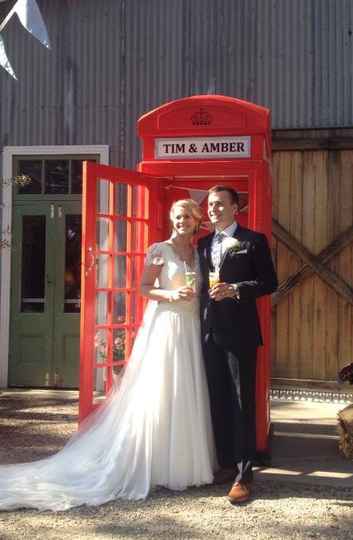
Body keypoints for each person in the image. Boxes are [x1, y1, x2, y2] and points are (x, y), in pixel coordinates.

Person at [0, 199, 215, 511]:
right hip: (168, 325)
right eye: (178, 216)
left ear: (197, 222)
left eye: (188, 217)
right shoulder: (160, 249)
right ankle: (154, 461)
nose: (182, 221)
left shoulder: (198, 252)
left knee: (186, 391)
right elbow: (144, 287)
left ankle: (181, 463)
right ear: (172, 219)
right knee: (164, 390)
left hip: (192, 325)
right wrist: (169, 293)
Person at [198, 185, 278, 505]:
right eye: (210, 205)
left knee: (243, 403)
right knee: (217, 400)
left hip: (241, 334)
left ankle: (245, 473)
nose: (213, 210)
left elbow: (269, 283)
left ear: (235, 208)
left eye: (219, 204)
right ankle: (227, 464)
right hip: (210, 333)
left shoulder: (253, 241)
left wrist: (236, 289)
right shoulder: (203, 243)